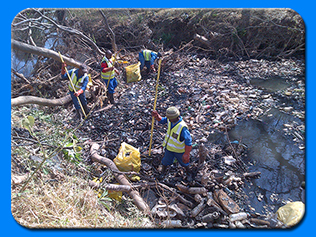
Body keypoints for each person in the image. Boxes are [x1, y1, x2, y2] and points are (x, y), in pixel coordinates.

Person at [152, 107, 193, 181]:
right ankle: (162, 173)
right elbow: (162, 120)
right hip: (169, 149)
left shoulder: (182, 127)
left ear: (176, 117)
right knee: (165, 161)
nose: (169, 120)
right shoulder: (170, 120)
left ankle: (189, 173)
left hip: (179, 151)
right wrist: (156, 116)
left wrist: (186, 154)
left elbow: (188, 141)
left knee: (184, 163)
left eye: (170, 118)